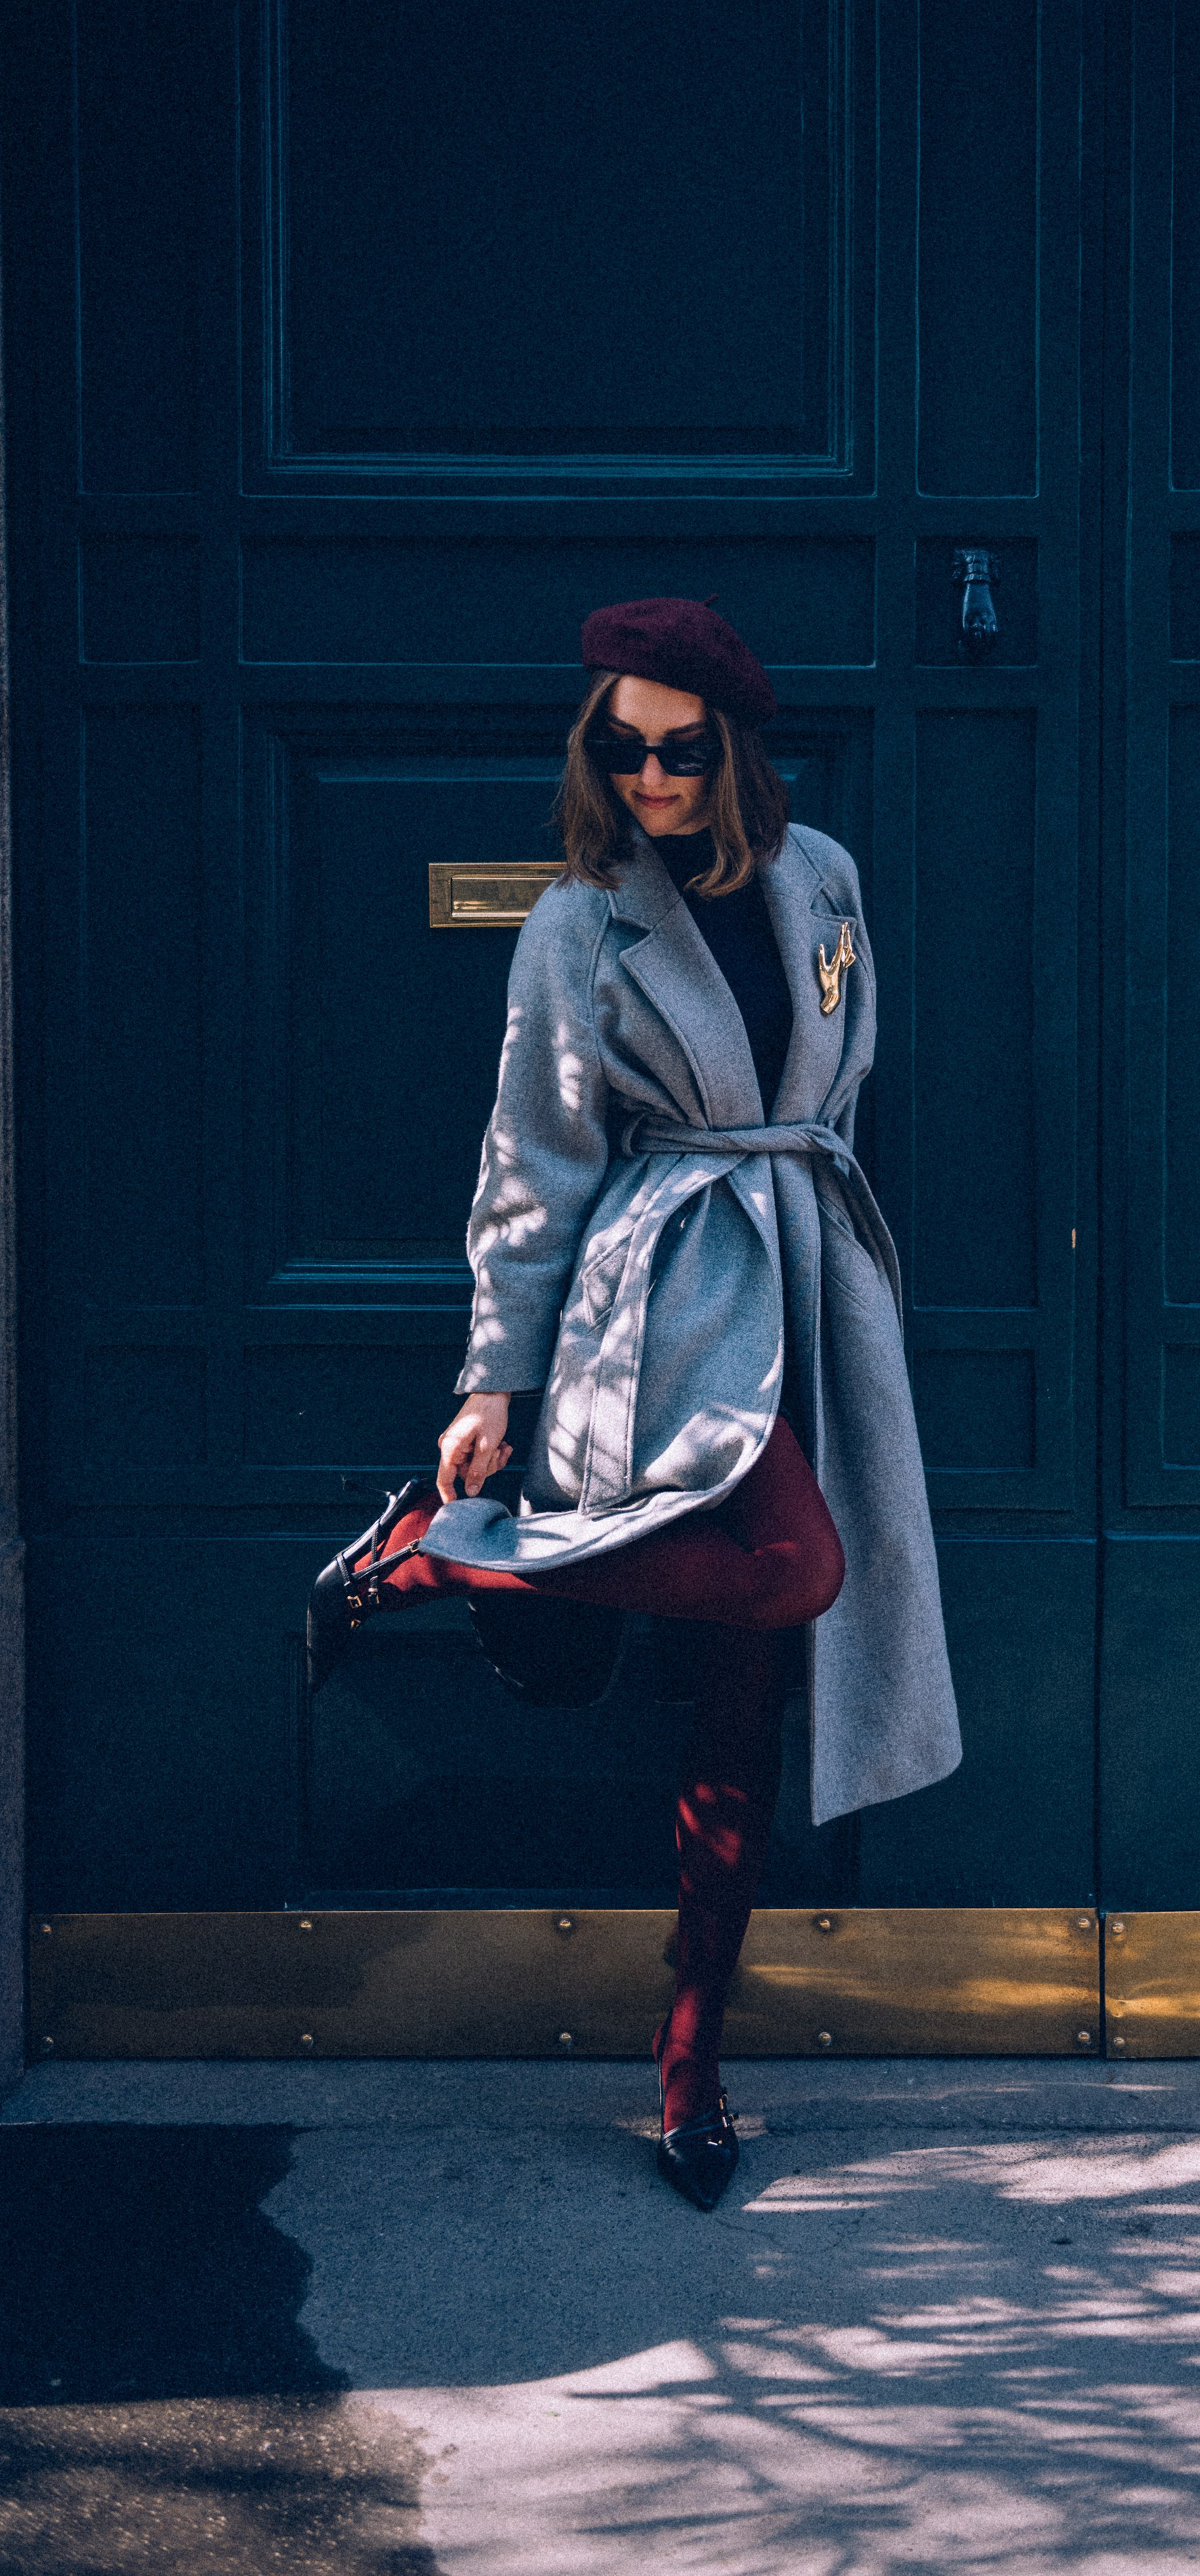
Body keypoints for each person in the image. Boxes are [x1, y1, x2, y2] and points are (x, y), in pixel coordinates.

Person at [306, 598, 961, 2209]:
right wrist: (494, 1381)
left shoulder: (822, 877)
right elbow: (530, 1162)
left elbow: (844, 1076)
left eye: (679, 749)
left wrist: (825, 1248)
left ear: (734, 750)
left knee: (742, 1710)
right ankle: (437, 1555)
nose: (650, 777)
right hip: (667, 1302)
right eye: (620, 747)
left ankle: (689, 2071)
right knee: (796, 1569)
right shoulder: (575, 920)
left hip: (808, 1284)